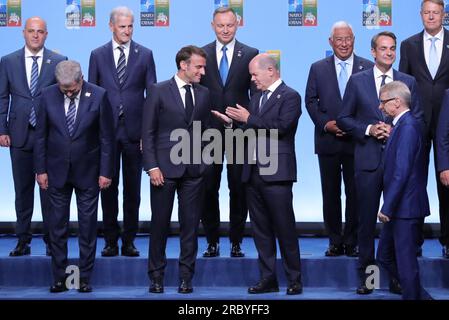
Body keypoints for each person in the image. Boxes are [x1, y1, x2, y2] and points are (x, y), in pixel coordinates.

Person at [337, 31, 423, 295]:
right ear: (373, 52)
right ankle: (368, 279)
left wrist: (395, 131)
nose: (389, 52)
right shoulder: (357, 81)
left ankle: (397, 278)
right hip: (368, 162)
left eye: (392, 48)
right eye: (383, 48)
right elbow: (343, 118)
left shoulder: (408, 81)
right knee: (365, 223)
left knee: (396, 222)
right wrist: (369, 129)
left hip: (399, 165)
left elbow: (416, 118)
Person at [214, 53, 302, 295]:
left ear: (270, 71)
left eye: (255, 74)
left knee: (284, 228)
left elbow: (281, 129)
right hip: (252, 173)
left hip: (277, 174)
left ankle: (294, 279)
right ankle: (268, 279)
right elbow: (251, 128)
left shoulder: (291, 96)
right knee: (261, 231)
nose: (252, 79)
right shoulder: (257, 97)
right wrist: (233, 124)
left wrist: (249, 118)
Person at [34, 60, 114, 293]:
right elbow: (40, 136)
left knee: (87, 228)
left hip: (89, 172)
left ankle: (84, 278)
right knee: (56, 227)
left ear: (81, 80)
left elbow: (106, 138)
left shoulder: (99, 95)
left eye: (72, 89)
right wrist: (40, 170)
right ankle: (60, 278)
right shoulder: (47, 95)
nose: (68, 93)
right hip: (55, 172)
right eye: (64, 89)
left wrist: (105, 171)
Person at [88, 6, 157, 257]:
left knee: (133, 191)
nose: (127, 31)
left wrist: (147, 135)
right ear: (111, 26)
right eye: (122, 26)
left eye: (130, 26)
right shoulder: (97, 55)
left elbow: (152, 97)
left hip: (134, 133)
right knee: (107, 187)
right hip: (105, 133)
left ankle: (129, 240)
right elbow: (91, 96)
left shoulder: (145, 54)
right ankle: (109, 240)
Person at [142, 46, 211, 294]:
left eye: (203, 67)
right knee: (159, 225)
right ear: (183, 65)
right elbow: (147, 132)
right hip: (163, 170)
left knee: (190, 227)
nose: (203, 71)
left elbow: (205, 131)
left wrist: (206, 161)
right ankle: (156, 277)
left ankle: (185, 278)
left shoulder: (204, 93)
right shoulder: (158, 90)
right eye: (198, 67)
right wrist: (151, 166)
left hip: (194, 171)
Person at [305, 21, 373, 257]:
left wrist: (354, 126)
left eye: (348, 39)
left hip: (358, 142)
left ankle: (352, 240)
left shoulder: (368, 67)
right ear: (330, 42)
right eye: (339, 39)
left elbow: (372, 104)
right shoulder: (317, 68)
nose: (344, 44)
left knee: (356, 194)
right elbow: (311, 101)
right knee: (330, 193)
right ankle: (334, 240)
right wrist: (327, 124)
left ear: (354, 39)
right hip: (328, 141)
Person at [0, 17, 67, 256]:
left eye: (40, 32)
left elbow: (65, 100)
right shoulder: (8, 61)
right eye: (31, 31)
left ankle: (52, 241)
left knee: (50, 192)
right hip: (18, 135)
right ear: (23, 33)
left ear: (46, 34)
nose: (35, 35)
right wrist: (2, 129)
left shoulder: (59, 61)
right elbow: (2, 97)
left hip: (49, 138)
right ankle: (22, 240)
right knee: (22, 191)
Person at [200, 6, 258, 258]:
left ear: (238, 25)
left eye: (230, 25)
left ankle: (236, 242)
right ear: (213, 25)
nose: (225, 30)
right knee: (208, 187)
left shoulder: (251, 54)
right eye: (221, 25)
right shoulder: (199, 53)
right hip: (207, 130)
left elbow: (257, 94)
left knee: (239, 187)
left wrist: (249, 119)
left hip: (240, 131)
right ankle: (211, 241)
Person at [399, 0, 449, 258]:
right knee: (414, 183)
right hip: (416, 124)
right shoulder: (408, 45)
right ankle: (413, 240)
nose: (431, 16)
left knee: (447, 184)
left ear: (444, 14)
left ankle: (448, 240)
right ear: (420, 15)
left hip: (448, 125)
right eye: (427, 12)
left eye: (436, 12)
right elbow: (404, 84)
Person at [377, 81, 431, 300]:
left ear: (396, 102)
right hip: (400, 208)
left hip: (404, 209)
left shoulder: (408, 127)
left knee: (406, 267)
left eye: (383, 102)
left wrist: (387, 207)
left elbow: (402, 171)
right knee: (384, 256)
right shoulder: (402, 125)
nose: (380, 107)